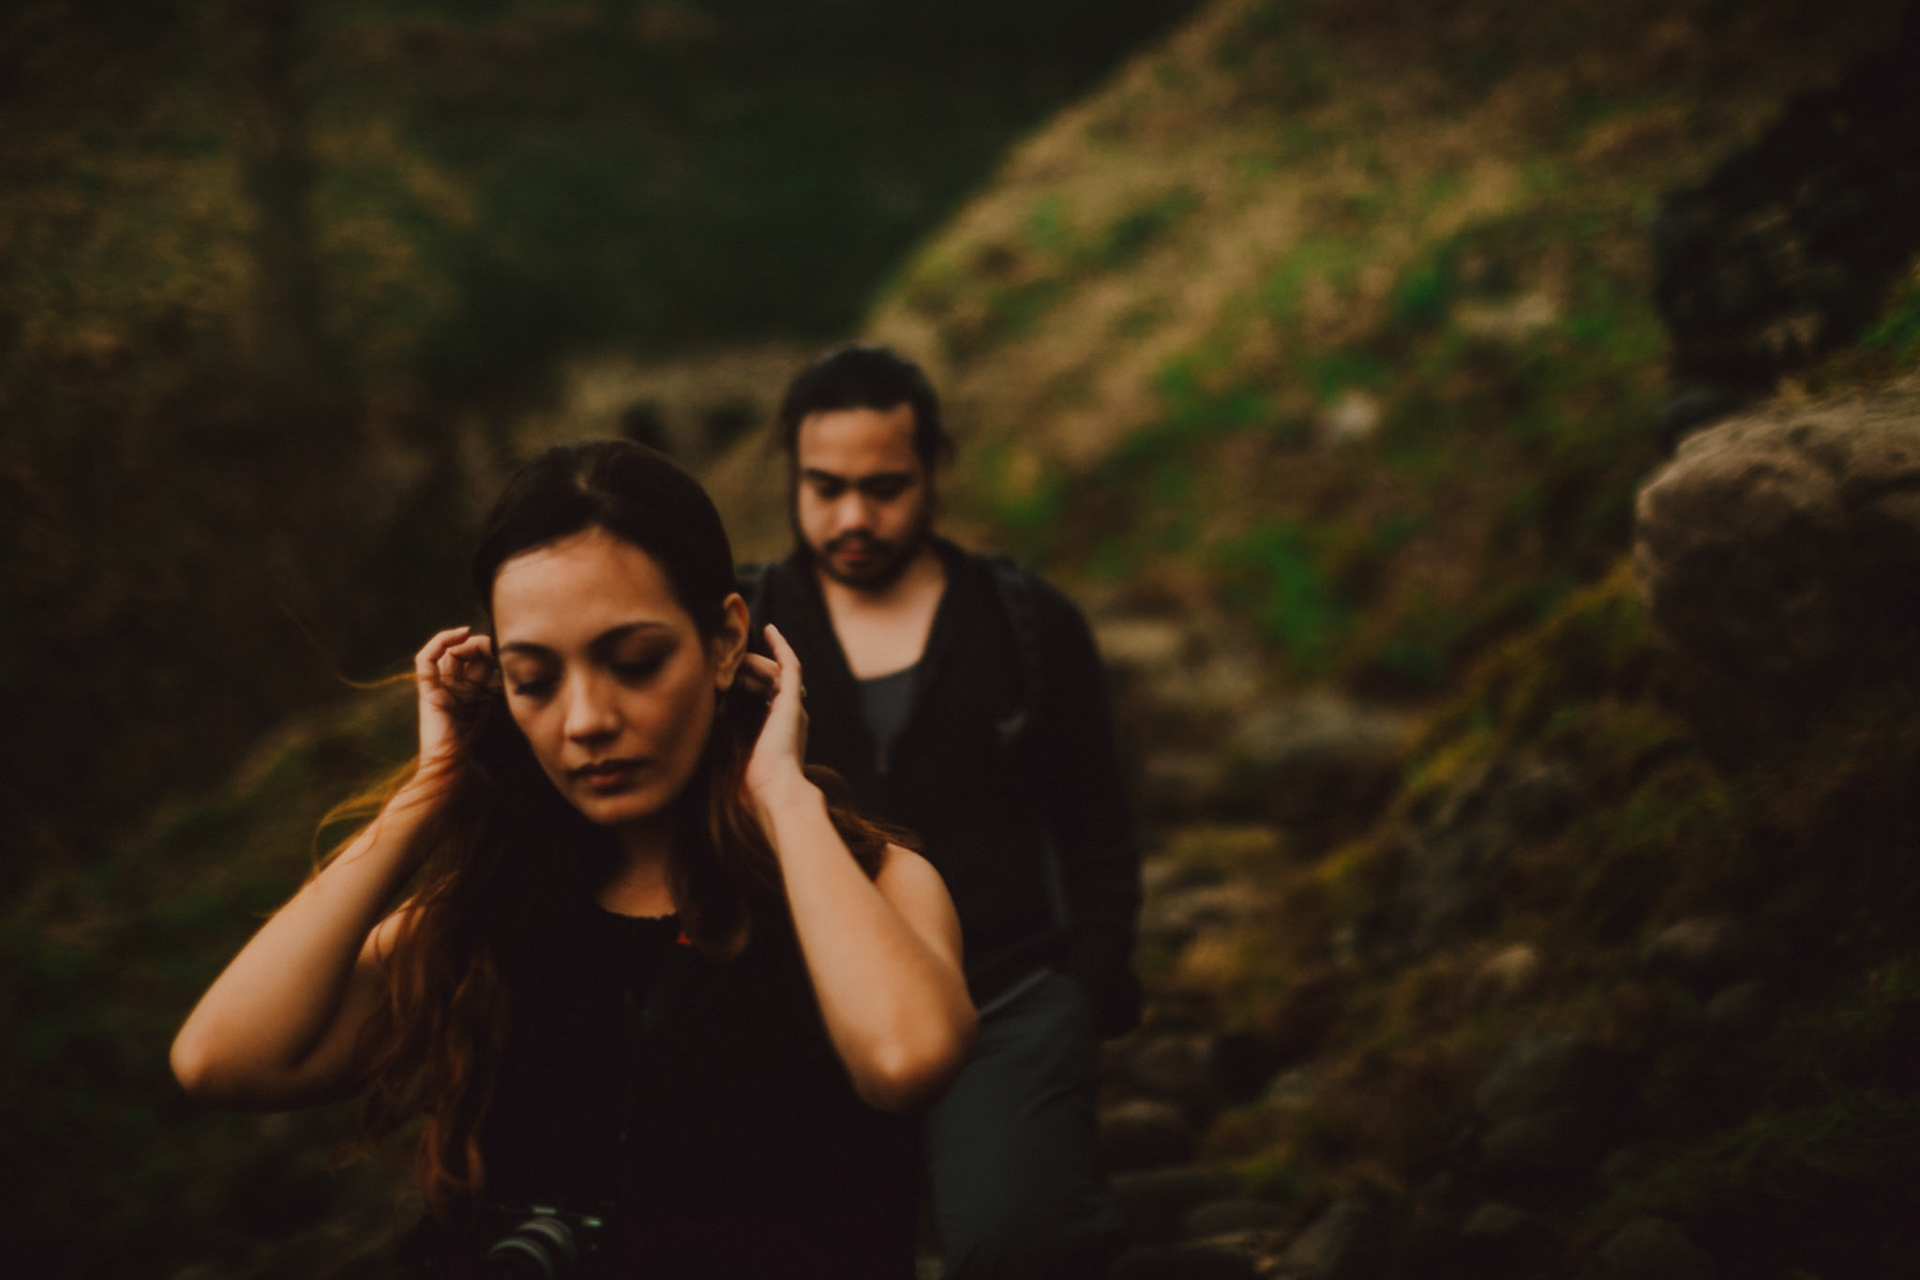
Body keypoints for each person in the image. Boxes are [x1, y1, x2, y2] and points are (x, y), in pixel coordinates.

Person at [170, 441, 976, 1280]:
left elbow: (906, 1058)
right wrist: (429, 794)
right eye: (534, 680)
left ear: (726, 640)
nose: (585, 718)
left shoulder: (867, 884)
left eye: (634, 663)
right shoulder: (491, 913)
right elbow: (222, 1059)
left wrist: (782, 794)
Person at [744, 345, 1143, 1280]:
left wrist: (1089, 979)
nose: (851, 516)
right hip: (798, 1013)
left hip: (1006, 996)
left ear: (933, 473)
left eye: (883, 486)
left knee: (1023, 1246)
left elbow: (1099, 821)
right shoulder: (743, 623)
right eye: (825, 485)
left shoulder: (1025, 621)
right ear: (793, 477)